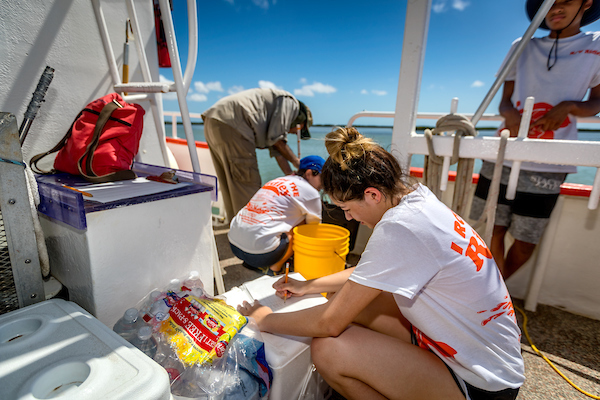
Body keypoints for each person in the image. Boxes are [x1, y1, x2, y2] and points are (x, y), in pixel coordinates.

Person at [238, 127, 525, 400]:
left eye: (348, 209)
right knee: (350, 298)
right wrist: (307, 285)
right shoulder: (418, 200)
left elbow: (330, 323)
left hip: (481, 384)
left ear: (372, 195)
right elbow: (370, 273)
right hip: (485, 354)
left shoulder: (399, 228)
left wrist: (266, 319)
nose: (349, 218)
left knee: (327, 348)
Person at [470, 0, 600, 280]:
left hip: (550, 161)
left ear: (587, 3)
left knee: (527, 242)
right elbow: (504, 102)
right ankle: (492, 300)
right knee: (492, 227)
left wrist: (568, 107)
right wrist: (513, 117)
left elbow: (596, 102)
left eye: (566, 0)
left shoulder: (597, 44)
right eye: (549, 3)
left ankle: (493, 295)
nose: (556, 8)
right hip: (504, 152)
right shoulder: (523, 45)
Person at [201, 88, 312, 222]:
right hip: (235, 124)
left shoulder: (273, 110)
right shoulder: (290, 103)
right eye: (297, 131)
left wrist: (290, 175)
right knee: (248, 182)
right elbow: (277, 140)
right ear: (300, 121)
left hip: (213, 120)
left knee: (230, 183)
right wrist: (296, 162)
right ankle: (251, 232)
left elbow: (277, 151)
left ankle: (235, 231)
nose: (293, 133)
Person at [228, 155, 324, 275]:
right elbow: (314, 229)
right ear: (309, 173)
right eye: (323, 177)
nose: (325, 184)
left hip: (234, 246)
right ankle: (275, 268)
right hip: (260, 254)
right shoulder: (312, 193)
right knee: (303, 226)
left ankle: (255, 261)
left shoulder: (279, 180)